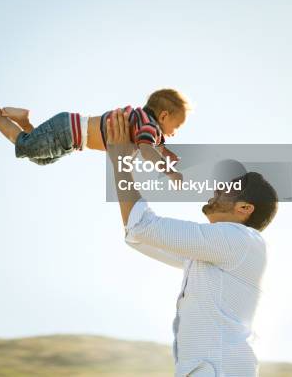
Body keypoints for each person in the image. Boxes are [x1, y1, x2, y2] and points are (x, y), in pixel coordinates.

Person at [107, 109, 278, 377]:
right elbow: (137, 234)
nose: (217, 190)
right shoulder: (215, 252)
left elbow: (141, 226)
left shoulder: (239, 240)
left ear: (245, 208)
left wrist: (121, 159)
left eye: (228, 190)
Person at [0, 88, 189, 177]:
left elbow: (156, 147)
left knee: (41, 160)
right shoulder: (148, 127)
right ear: (163, 116)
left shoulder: (146, 123)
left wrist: (167, 154)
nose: (174, 132)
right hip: (68, 131)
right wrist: (169, 172)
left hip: (70, 135)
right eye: (176, 126)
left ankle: (24, 121)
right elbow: (147, 150)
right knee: (26, 146)